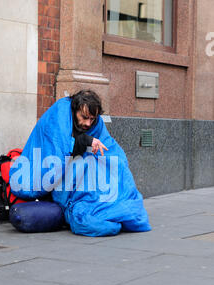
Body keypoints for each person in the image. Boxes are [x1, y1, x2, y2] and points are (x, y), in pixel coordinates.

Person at [10, 89, 151, 237]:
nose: (88, 123)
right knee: (82, 167)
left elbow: (110, 148)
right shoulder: (60, 114)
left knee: (114, 166)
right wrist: (87, 141)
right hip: (51, 169)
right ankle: (91, 206)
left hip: (74, 170)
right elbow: (58, 152)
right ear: (75, 109)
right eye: (84, 117)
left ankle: (111, 205)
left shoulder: (94, 121)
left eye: (92, 119)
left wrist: (117, 165)